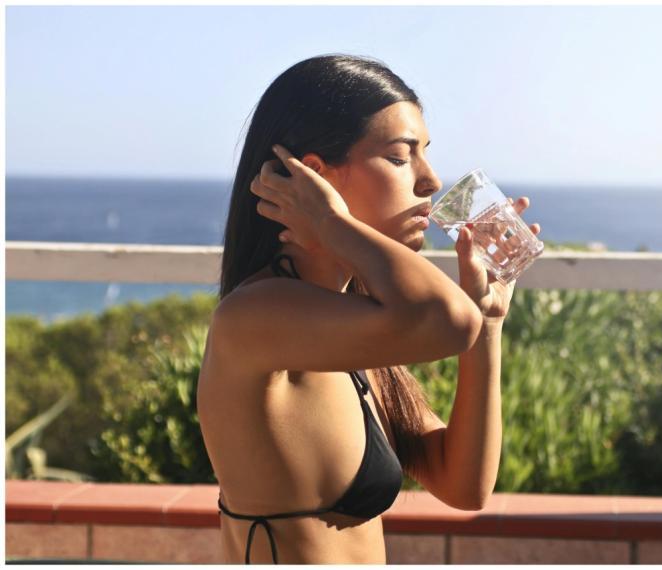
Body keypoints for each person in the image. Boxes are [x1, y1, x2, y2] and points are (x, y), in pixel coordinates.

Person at [197, 54, 541, 564]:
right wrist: (330, 221)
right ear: (313, 175)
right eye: (402, 158)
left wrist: (488, 322)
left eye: (425, 155)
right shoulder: (254, 318)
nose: (430, 180)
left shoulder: (353, 326)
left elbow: (464, 486)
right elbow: (447, 321)